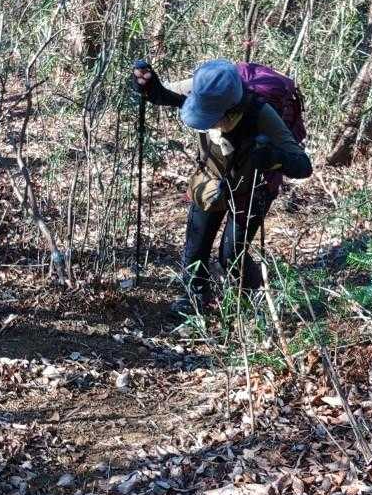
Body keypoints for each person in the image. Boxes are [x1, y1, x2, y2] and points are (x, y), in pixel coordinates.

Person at [132, 58, 312, 315]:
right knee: (195, 245)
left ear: (231, 110)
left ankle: (250, 301)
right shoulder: (203, 88)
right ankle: (195, 298)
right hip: (212, 176)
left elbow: (303, 166)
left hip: (253, 186)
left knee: (231, 255)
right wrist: (150, 87)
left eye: (211, 118)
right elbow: (166, 95)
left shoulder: (261, 113)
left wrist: (273, 157)